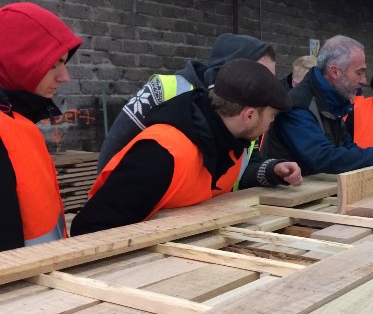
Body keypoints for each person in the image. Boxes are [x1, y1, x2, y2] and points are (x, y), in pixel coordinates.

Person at [71, 59, 302, 236]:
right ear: (249, 116)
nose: (271, 123)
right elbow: (89, 229)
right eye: (271, 116)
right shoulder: (163, 154)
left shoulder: (229, 144)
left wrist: (271, 171)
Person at [97, 34, 276, 172]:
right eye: (261, 77)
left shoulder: (252, 112)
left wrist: (269, 171)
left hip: (209, 213)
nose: (268, 88)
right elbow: (114, 149)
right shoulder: (163, 90)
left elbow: (242, 170)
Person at [261, 35, 373, 175]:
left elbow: (347, 148)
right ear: (335, 72)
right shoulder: (298, 106)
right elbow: (325, 157)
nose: (363, 80)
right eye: (359, 72)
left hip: (313, 193)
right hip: (286, 202)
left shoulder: (332, 101)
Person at [0, 2, 82, 250]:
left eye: (64, 63)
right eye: (53, 63)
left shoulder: (16, 123)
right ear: (17, 59)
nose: (64, 76)